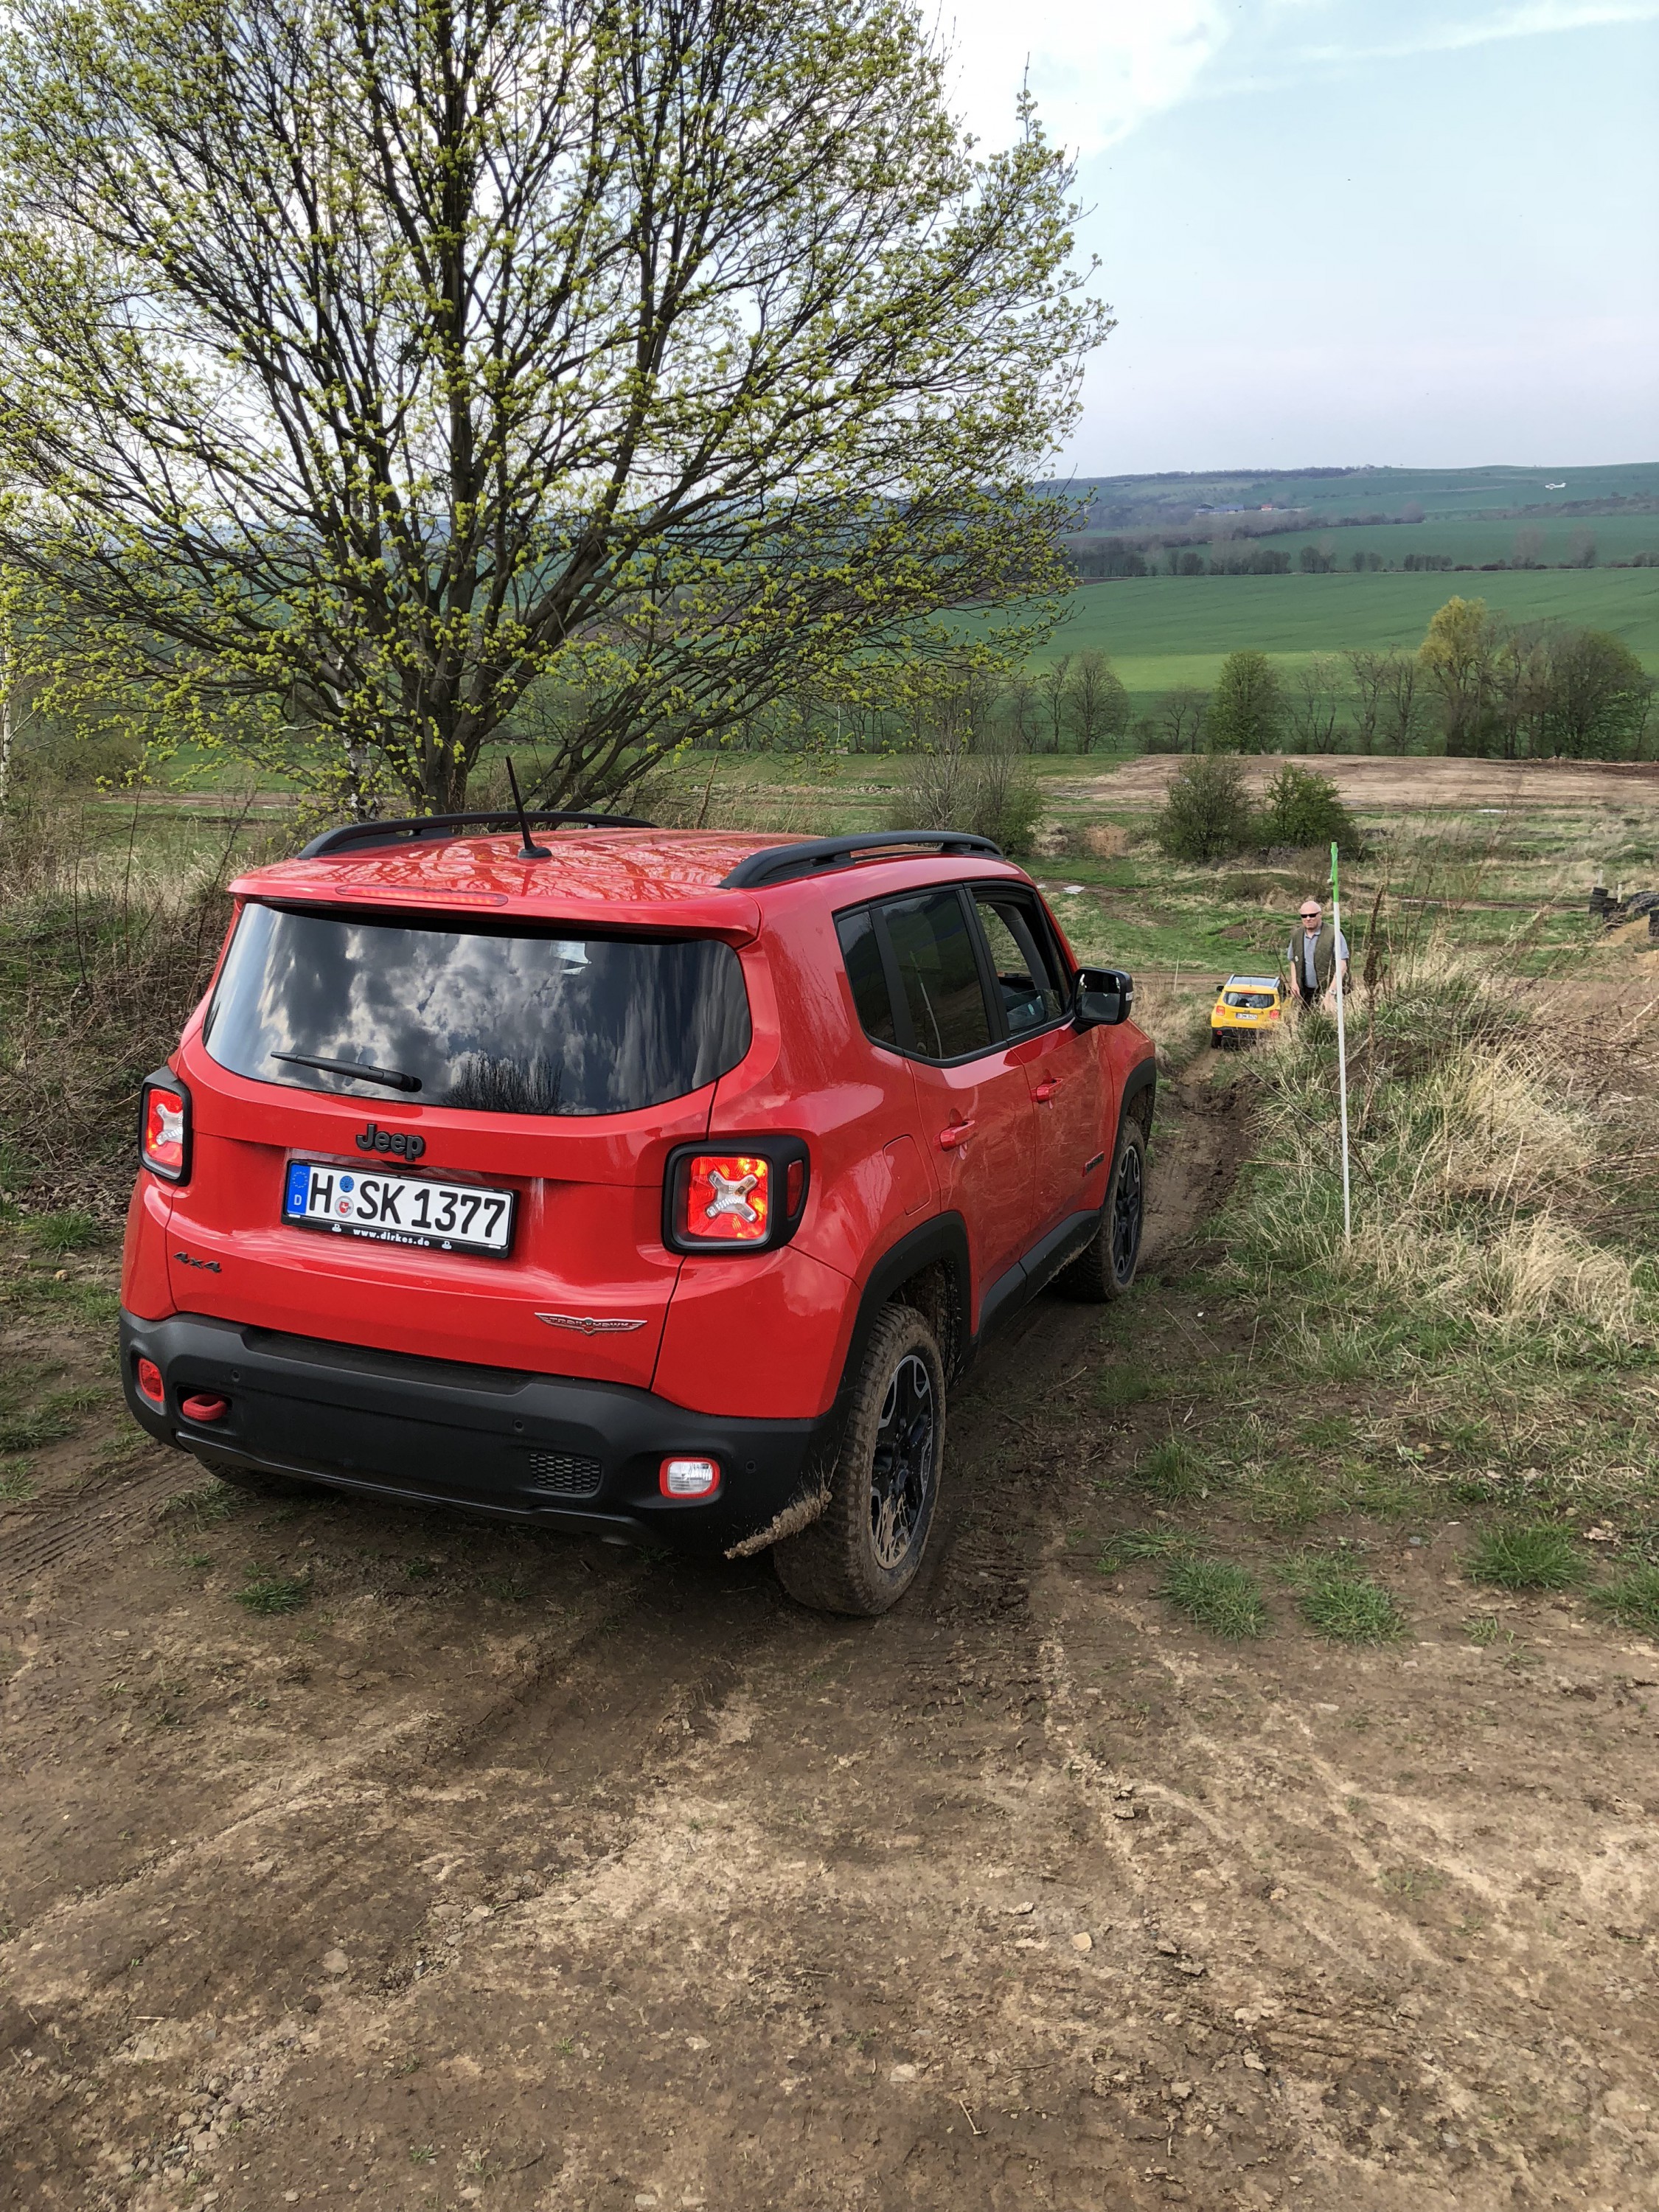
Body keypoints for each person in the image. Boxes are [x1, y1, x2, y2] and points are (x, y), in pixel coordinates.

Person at [1285, 896, 1349, 1012]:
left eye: (1312, 915)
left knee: (1331, 1026)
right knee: (1305, 1024)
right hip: (1307, 993)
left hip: (1330, 992)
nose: (1308, 919)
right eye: (1304, 916)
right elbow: (1293, 960)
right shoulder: (1297, 935)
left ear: (1320, 915)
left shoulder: (1334, 933)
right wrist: (1294, 983)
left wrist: (1331, 993)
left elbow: (1343, 965)